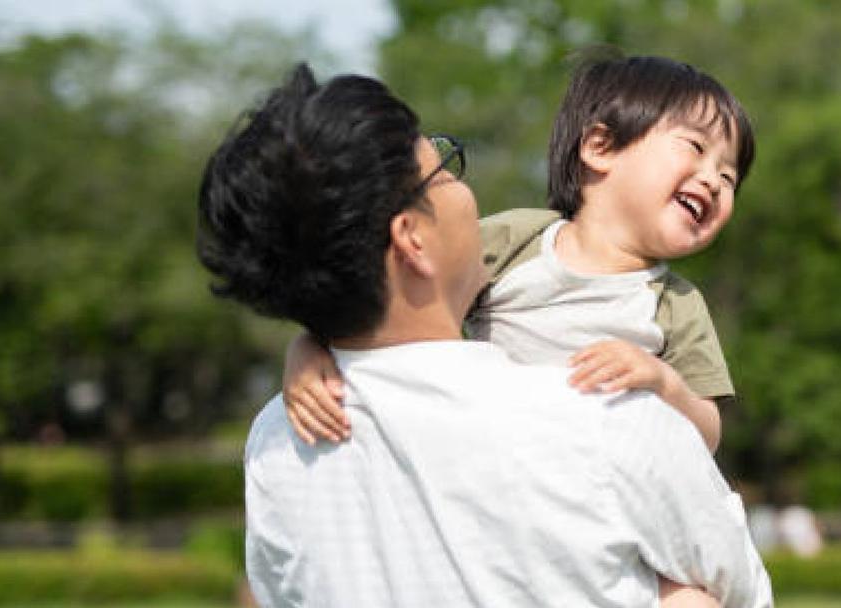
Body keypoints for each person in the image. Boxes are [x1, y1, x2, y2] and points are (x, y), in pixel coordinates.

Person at [197, 63, 772, 607]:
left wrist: (312, 346)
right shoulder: (616, 427)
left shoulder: (279, 442)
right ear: (412, 239)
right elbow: (741, 589)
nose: (468, 194)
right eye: (444, 170)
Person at [284, 53, 754, 457]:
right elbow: (393, 293)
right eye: (695, 147)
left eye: (729, 177)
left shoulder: (675, 303)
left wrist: (663, 382)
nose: (714, 180)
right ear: (601, 147)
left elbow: (707, 436)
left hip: (596, 478)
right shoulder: (522, 240)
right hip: (485, 451)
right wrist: (308, 348)